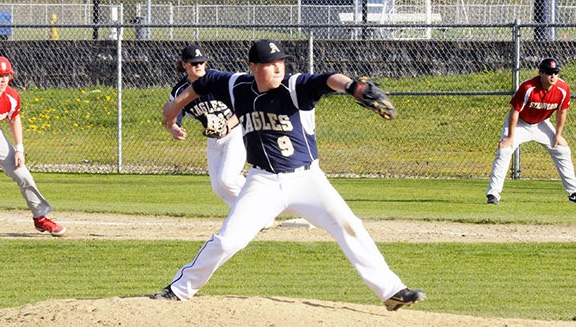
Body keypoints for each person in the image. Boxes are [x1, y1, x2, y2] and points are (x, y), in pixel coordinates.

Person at [153, 39, 426, 311]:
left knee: (349, 225)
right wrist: (175, 106)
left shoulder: (296, 87)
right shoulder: (237, 85)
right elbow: (202, 83)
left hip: (308, 180)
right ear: (253, 68)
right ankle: (178, 289)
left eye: (280, 62)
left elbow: (328, 79)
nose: (277, 68)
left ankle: (392, 292)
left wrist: (353, 87)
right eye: (269, 64)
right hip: (263, 182)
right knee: (228, 240)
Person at [0, 56, 67, 240]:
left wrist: (19, 149)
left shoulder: (11, 97)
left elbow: (14, 119)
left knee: (23, 173)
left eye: (7, 75)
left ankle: (41, 217)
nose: (4, 80)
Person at [486, 57, 576, 205]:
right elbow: (515, 111)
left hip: (541, 124)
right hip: (520, 123)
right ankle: (493, 194)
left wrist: (558, 135)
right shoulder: (528, 87)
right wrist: (510, 136)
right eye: (549, 72)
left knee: (563, 150)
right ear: (540, 73)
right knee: (504, 150)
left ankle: (574, 193)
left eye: (555, 72)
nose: (553, 76)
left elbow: (562, 112)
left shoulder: (562, 89)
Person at [167, 44, 247, 208]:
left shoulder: (219, 80)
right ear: (184, 65)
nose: (198, 66)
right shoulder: (180, 91)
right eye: (194, 63)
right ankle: (249, 213)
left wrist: (228, 125)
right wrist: (173, 127)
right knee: (218, 187)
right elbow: (173, 116)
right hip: (213, 139)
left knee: (227, 179)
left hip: (236, 133)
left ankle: (257, 211)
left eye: (202, 62)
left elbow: (245, 106)